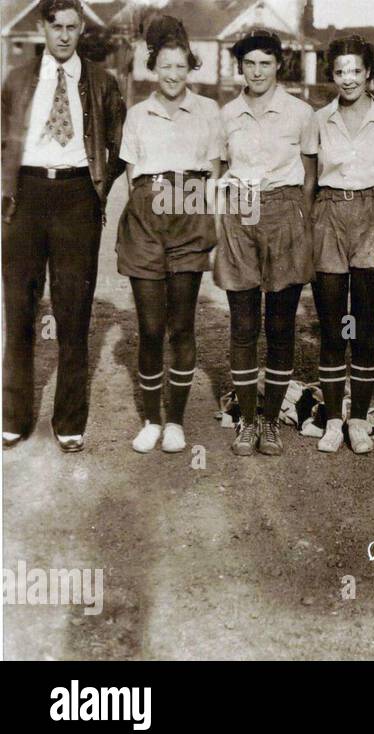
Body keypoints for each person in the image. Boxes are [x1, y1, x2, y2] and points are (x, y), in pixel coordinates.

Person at [1, 0, 125, 453]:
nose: (65, 36)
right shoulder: (16, 80)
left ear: (81, 31)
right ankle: (14, 418)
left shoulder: (100, 81)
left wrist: (97, 191)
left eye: (73, 27)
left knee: (74, 314)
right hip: (25, 197)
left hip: (76, 196)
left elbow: (119, 144)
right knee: (18, 311)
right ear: (43, 28)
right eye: (57, 27)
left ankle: (69, 421)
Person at [116, 16, 220, 454]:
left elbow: (212, 173)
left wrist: (190, 211)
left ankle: (175, 420)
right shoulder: (138, 115)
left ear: (189, 67)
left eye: (180, 66)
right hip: (146, 216)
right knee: (151, 326)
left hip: (189, 212)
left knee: (181, 325)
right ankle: (150, 420)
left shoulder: (209, 111)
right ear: (152, 67)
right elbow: (131, 176)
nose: (173, 75)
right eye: (165, 66)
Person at [215, 29, 316, 457]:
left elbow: (310, 173)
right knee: (242, 325)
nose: (257, 71)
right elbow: (218, 167)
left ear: (279, 65)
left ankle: (271, 420)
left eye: (265, 63)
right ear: (240, 66)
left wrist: (294, 217)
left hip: (285, 210)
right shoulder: (226, 114)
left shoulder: (300, 112)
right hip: (240, 211)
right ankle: (247, 420)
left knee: (279, 325)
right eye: (250, 63)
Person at [307, 36, 374, 455]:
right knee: (332, 325)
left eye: (355, 71)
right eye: (340, 71)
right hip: (327, 213)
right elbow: (309, 178)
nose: (348, 79)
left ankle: (358, 419)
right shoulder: (319, 119)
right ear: (332, 75)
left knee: (362, 323)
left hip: (372, 217)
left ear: (369, 74)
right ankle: (331, 419)